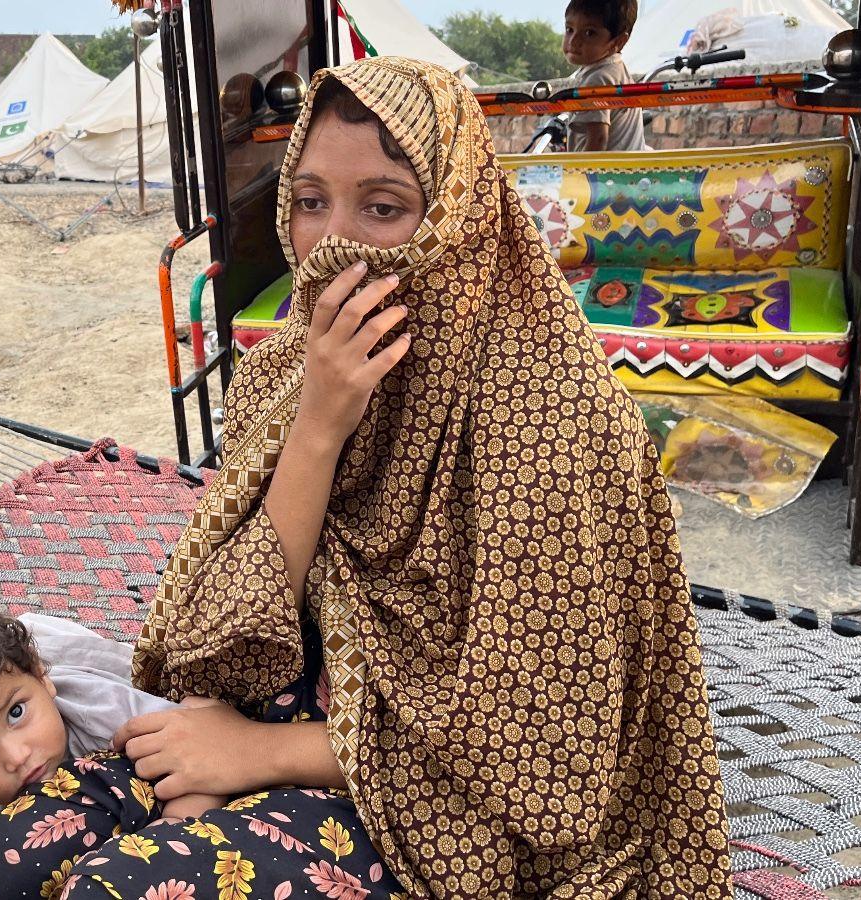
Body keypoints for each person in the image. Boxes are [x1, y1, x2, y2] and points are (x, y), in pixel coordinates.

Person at [100, 56, 728, 897]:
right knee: (20, 852)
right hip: (304, 701)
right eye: (311, 201)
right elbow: (226, 625)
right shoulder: (286, 368)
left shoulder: (549, 418)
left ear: (457, 218)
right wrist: (320, 423)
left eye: (385, 208)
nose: (337, 244)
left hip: (454, 808)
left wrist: (261, 756)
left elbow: (540, 752)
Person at [0, 600, 228, 899]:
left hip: (96, 678)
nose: (16, 756)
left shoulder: (107, 717)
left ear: (42, 680)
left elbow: (203, 756)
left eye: (16, 713)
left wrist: (172, 828)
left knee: (200, 706)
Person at [563, 0, 647, 151]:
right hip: (626, 171)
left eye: (589, 33)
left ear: (619, 41)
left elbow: (598, 139)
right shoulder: (616, 69)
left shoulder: (597, 80)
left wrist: (582, 172)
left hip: (602, 173)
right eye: (569, 29)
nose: (574, 41)